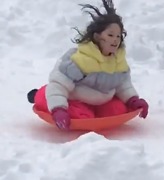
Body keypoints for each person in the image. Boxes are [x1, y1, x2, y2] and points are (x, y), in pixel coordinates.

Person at [27, 0, 149, 130]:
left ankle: (93, 112)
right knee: (80, 116)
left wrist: (133, 100)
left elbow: (123, 85)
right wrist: (58, 109)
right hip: (73, 99)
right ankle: (38, 96)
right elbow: (58, 85)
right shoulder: (79, 60)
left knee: (118, 110)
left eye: (118, 36)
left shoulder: (118, 61)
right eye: (110, 35)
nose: (115, 40)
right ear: (97, 37)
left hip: (100, 101)